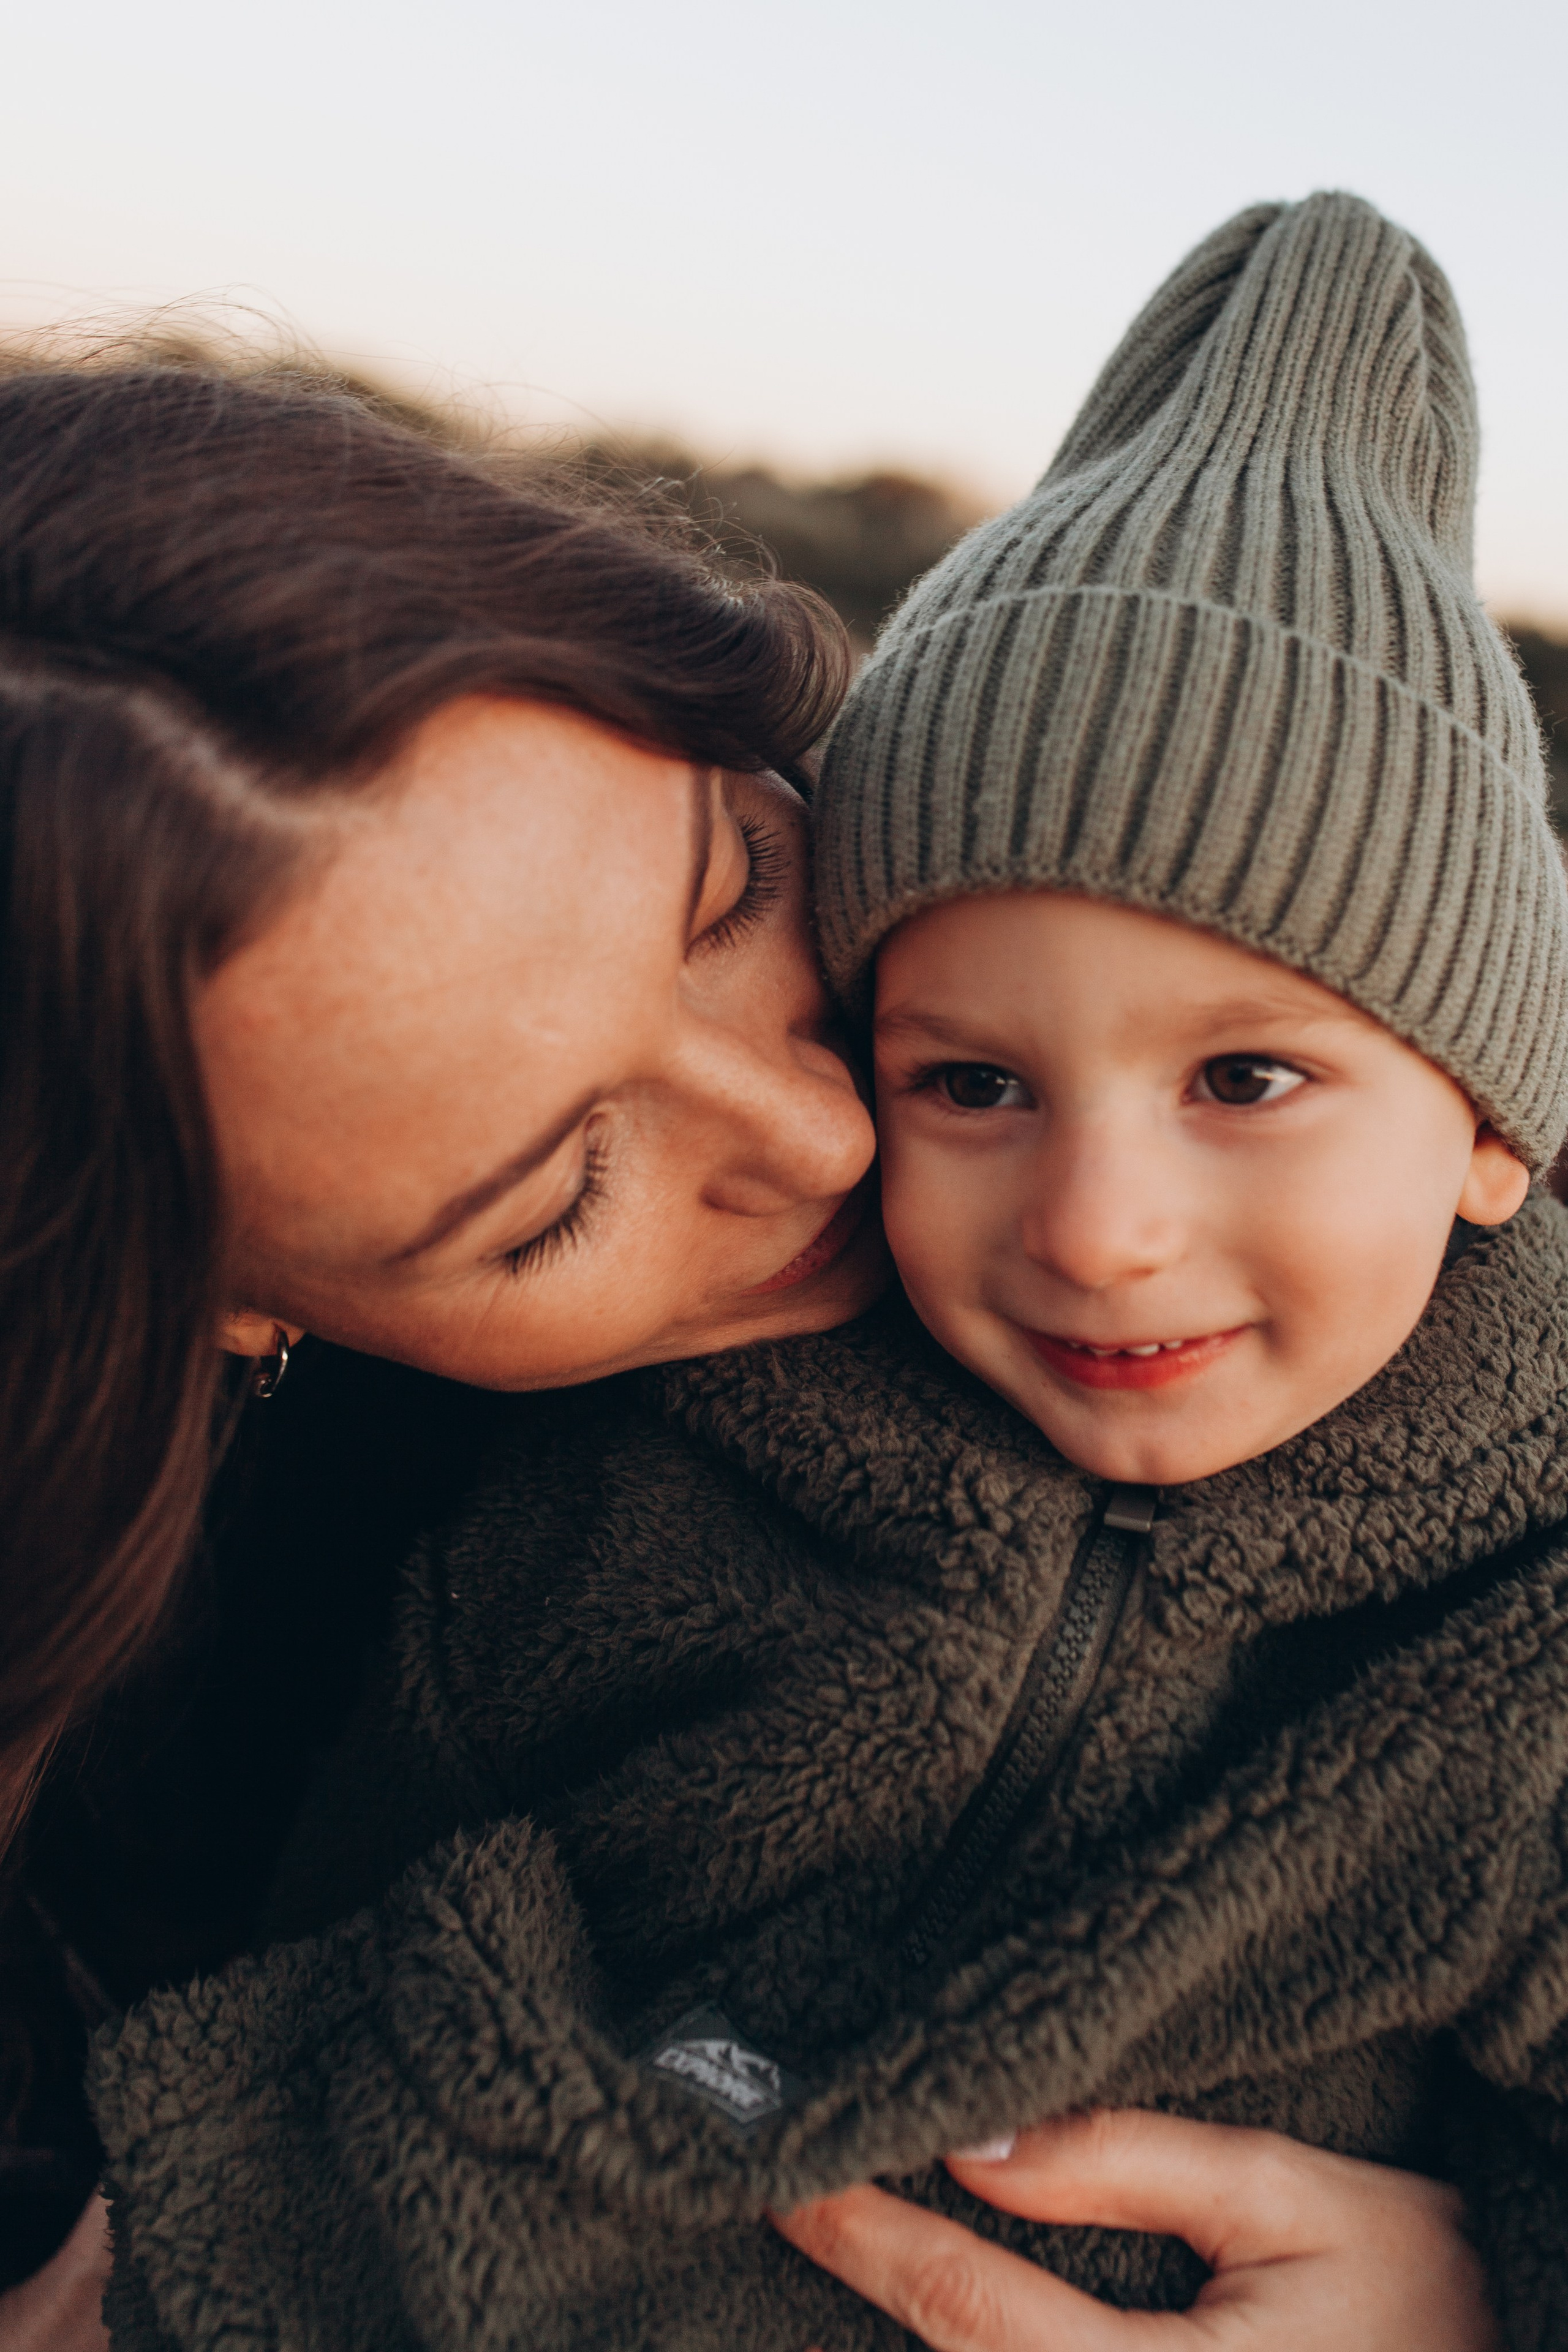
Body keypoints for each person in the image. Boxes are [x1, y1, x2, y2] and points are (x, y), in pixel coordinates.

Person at [81, 196, 1550, 2347]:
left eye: (734, 896)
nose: (1087, 1225)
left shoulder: (1519, 1646)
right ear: (240, 1310)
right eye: (967, 1075)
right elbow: (304, 1955)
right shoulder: (575, 1518)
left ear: (1501, 1125)